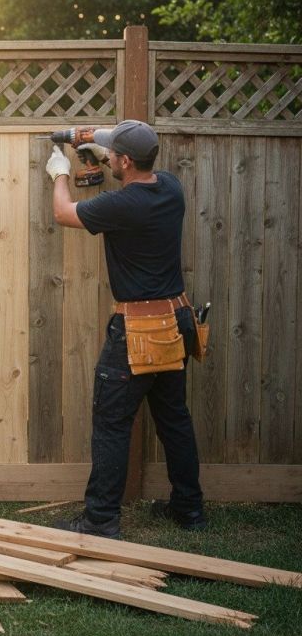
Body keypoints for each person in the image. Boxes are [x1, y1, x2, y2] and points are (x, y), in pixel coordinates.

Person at [44, 119, 205, 539]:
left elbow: (64, 212)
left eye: (114, 154)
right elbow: (123, 150)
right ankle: (189, 510)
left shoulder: (121, 206)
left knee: (112, 423)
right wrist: (96, 143)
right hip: (176, 322)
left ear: (126, 161)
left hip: (137, 330)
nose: (108, 157)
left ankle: (100, 521)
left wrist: (60, 172)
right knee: (174, 419)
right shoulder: (169, 186)